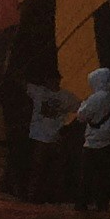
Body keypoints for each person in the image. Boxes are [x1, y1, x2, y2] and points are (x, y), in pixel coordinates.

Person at [72, 66, 110, 212]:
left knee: (86, 176)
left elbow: (81, 116)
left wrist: (82, 105)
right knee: (104, 175)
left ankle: (82, 204)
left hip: (93, 141)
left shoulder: (95, 98)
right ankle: (102, 203)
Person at [21, 75, 78, 204]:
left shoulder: (57, 95)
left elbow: (81, 108)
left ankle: (42, 197)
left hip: (48, 138)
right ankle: (38, 197)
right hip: (46, 138)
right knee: (44, 169)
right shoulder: (46, 93)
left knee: (48, 170)